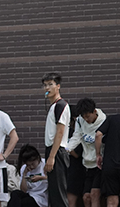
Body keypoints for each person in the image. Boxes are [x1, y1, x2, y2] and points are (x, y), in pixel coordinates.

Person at [68, 98, 106, 207]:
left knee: (94, 194)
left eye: (88, 116)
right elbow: (77, 137)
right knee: (86, 197)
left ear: (94, 112)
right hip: (88, 164)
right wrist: (67, 149)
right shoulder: (80, 121)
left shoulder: (103, 121)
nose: (86, 119)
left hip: (100, 164)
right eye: (83, 117)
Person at [42, 72, 70, 207]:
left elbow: (60, 132)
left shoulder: (61, 105)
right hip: (52, 150)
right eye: (45, 85)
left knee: (59, 194)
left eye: (50, 84)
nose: (47, 88)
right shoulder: (53, 106)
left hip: (57, 152)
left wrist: (52, 157)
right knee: (53, 193)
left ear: (58, 86)